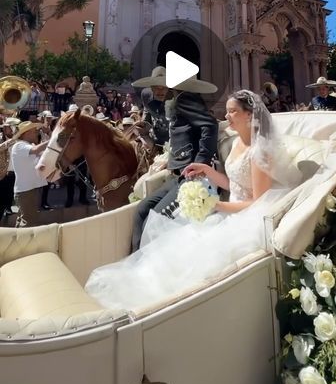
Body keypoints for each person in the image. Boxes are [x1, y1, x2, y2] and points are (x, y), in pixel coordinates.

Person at [85, 90, 299, 312]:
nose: (227, 117)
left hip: (246, 219)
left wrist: (214, 205)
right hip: (229, 211)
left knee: (193, 257)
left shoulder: (259, 152)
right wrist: (206, 170)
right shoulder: (237, 144)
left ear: (249, 114)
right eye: (226, 111)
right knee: (174, 249)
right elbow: (235, 185)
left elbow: (256, 201)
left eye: (233, 111)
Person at [129, 69, 218, 251]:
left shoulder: (185, 99)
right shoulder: (170, 103)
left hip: (190, 178)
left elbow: (210, 124)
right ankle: (134, 259)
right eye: (156, 87)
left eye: (163, 86)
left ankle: (143, 263)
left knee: (155, 220)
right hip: (177, 175)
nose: (159, 90)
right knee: (141, 210)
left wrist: (201, 163)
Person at [11, 121, 48, 227]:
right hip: (25, 191)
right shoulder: (19, 146)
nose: (36, 133)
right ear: (26, 133)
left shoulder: (27, 145)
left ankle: (19, 242)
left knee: (25, 220)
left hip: (30, 190)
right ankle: (24, 243)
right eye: (34, 131)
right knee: (29, 222)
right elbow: (36, 150)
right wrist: (53, 140)